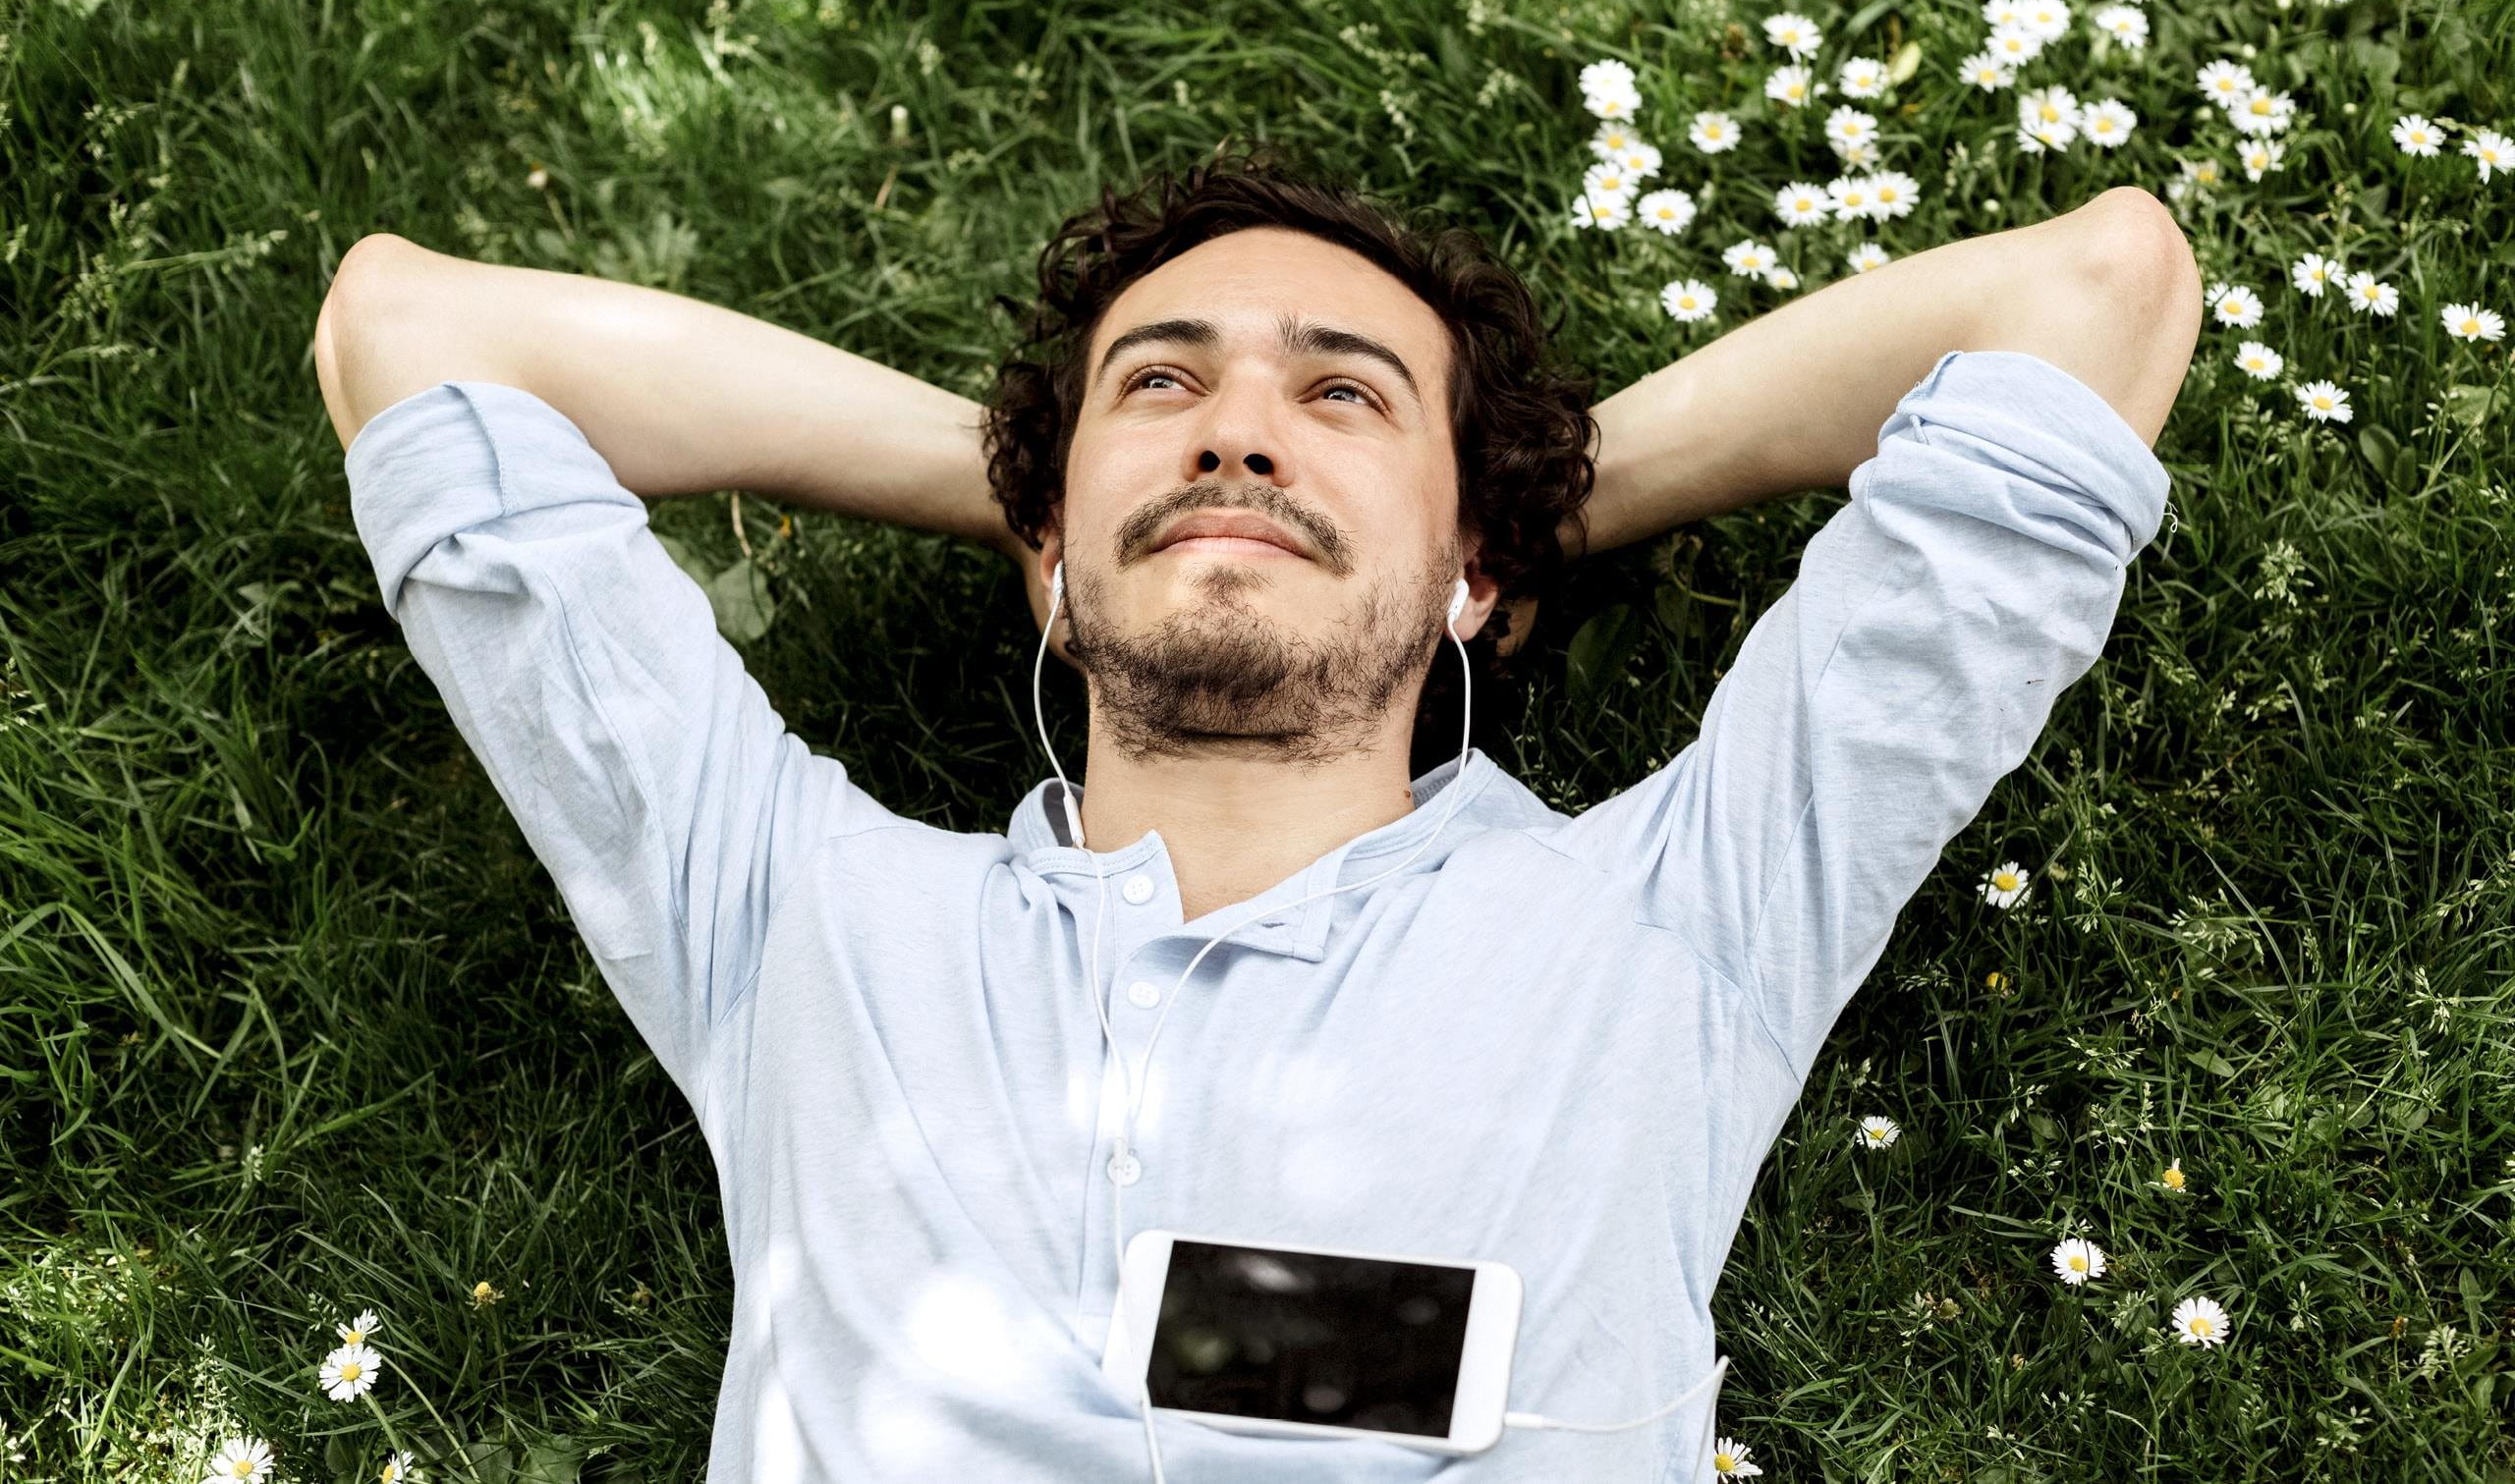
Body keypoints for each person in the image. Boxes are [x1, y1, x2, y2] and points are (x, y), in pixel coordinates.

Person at [314, 143, 2199, 1482]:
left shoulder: (1681, 918)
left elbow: (2091, 293)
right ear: (1045, 549)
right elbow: (412, 334)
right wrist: (1049, 502)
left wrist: (1515, 511)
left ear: (1474, 569)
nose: (1236, 431)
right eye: (1163, 387)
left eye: (1342, 396)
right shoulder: (792, 913)